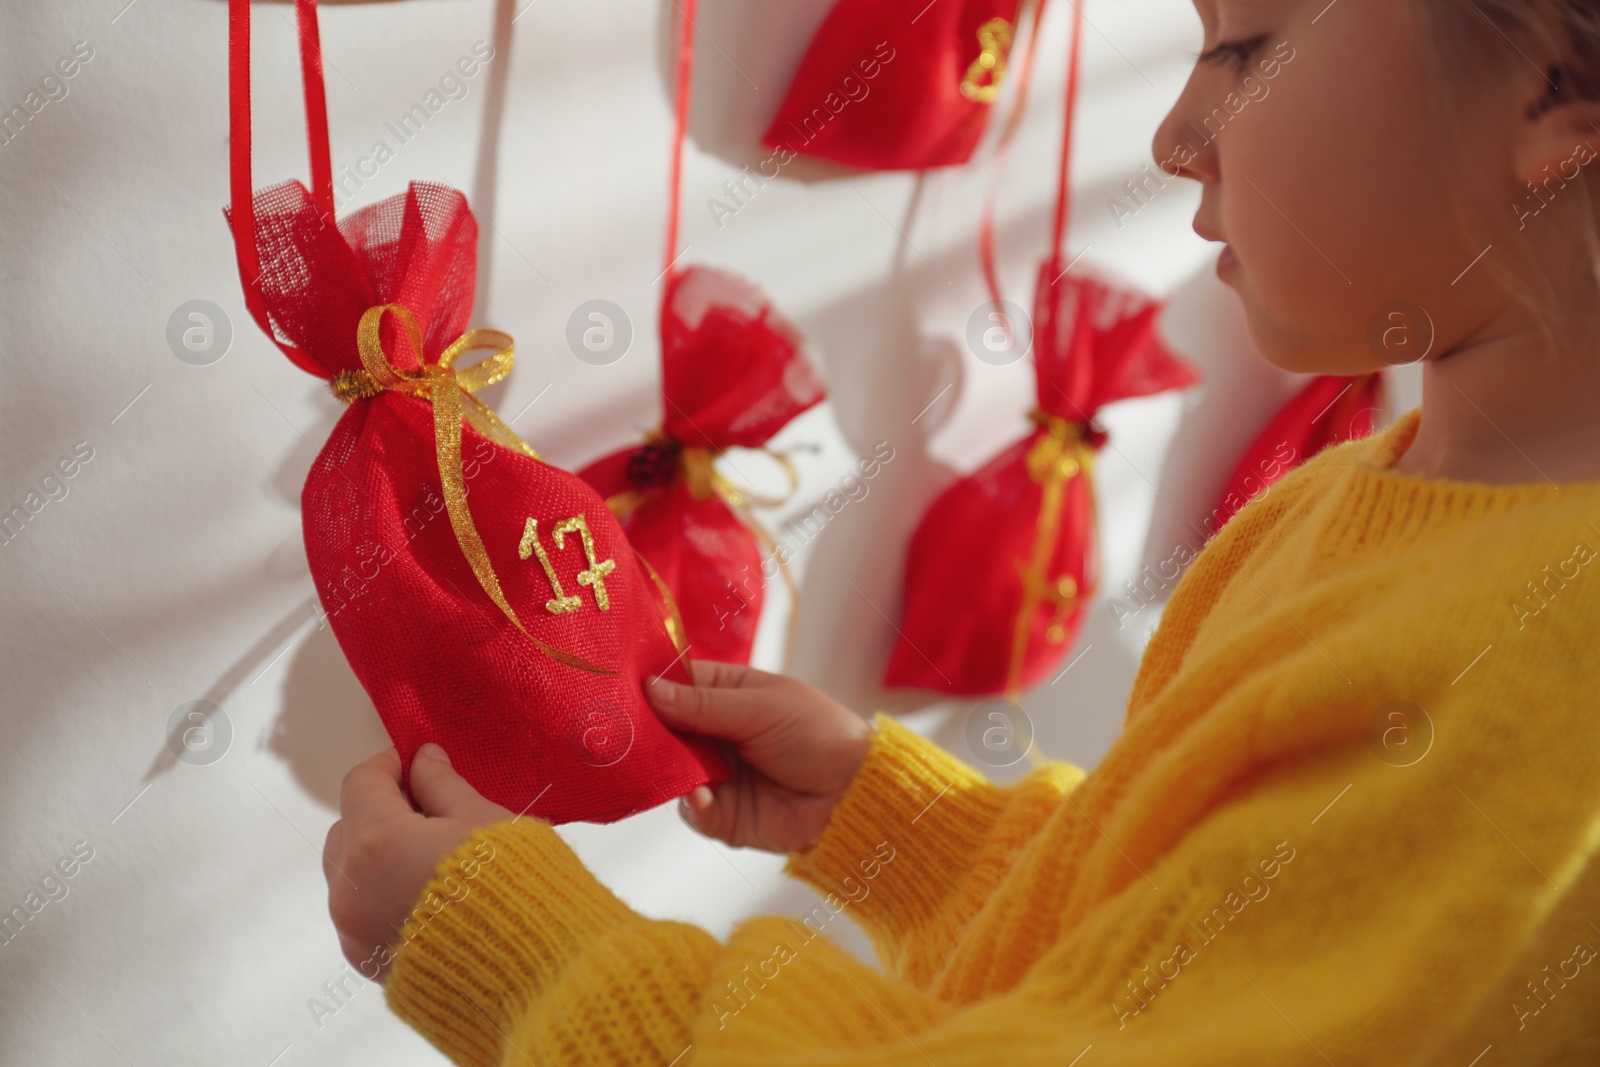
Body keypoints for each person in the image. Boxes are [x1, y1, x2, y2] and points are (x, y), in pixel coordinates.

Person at [320, 0, 1600, 1061]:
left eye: (1245, 48)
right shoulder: (1355, 500)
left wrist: (522, 955)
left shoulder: (1548, 680)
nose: (1171, 137)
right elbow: (1175, 936)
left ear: (1558, 95)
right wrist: (894, 831)